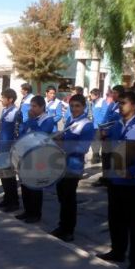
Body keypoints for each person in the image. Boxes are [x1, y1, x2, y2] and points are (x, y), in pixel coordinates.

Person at [97, 91, 135, 269]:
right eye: (119, 102)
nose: (119, 106)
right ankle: (118, 251)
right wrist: (105, 138)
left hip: (132, 182)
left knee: (133, 222)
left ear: (134, 106)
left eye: (123, 103)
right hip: (115, 179)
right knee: (115, 218)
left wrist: (132, 171)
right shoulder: (117, 125)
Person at [50, 94, 94, 241]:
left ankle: (69, 230)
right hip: (62, 165)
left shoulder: (87, 124)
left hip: (73, 167)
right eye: (72, 106)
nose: (74, 109)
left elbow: (83, 148)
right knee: (62, 197)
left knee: (69, 199)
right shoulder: (70, 120)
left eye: (77, 106)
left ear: (84, 107)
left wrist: (63, 144)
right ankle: (62, 226)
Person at [15, 95, 54, 223]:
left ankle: (35, 213)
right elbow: (23, 132)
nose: (32, 109)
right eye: (31, 106)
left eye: (35, 106)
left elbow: (39, 135)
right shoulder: (32, 118)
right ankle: (27, 211)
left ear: (42, 106)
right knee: (25, 184)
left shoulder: (47, 120)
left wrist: (31, 121)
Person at [0, 88, 22, 212]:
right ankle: (6, 199)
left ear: (10, 99)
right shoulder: (5, 110)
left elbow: (17, 133)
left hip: (9, 149)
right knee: (3, 176)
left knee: (10, 177)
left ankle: (13, 202)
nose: (1, 100)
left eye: (3, 98)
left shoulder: (16, 112)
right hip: (2, 147)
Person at [90, 88, 108, 164]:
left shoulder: (102, 102)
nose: (90, 96)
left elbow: (105, 114)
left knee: (97, 141)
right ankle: (96, 155)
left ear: (96, 95)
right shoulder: (93, 102)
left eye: (92, 95)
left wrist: (102, 125)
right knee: (93, 141)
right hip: (93, 125)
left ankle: (96, 157)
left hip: (99, 125)